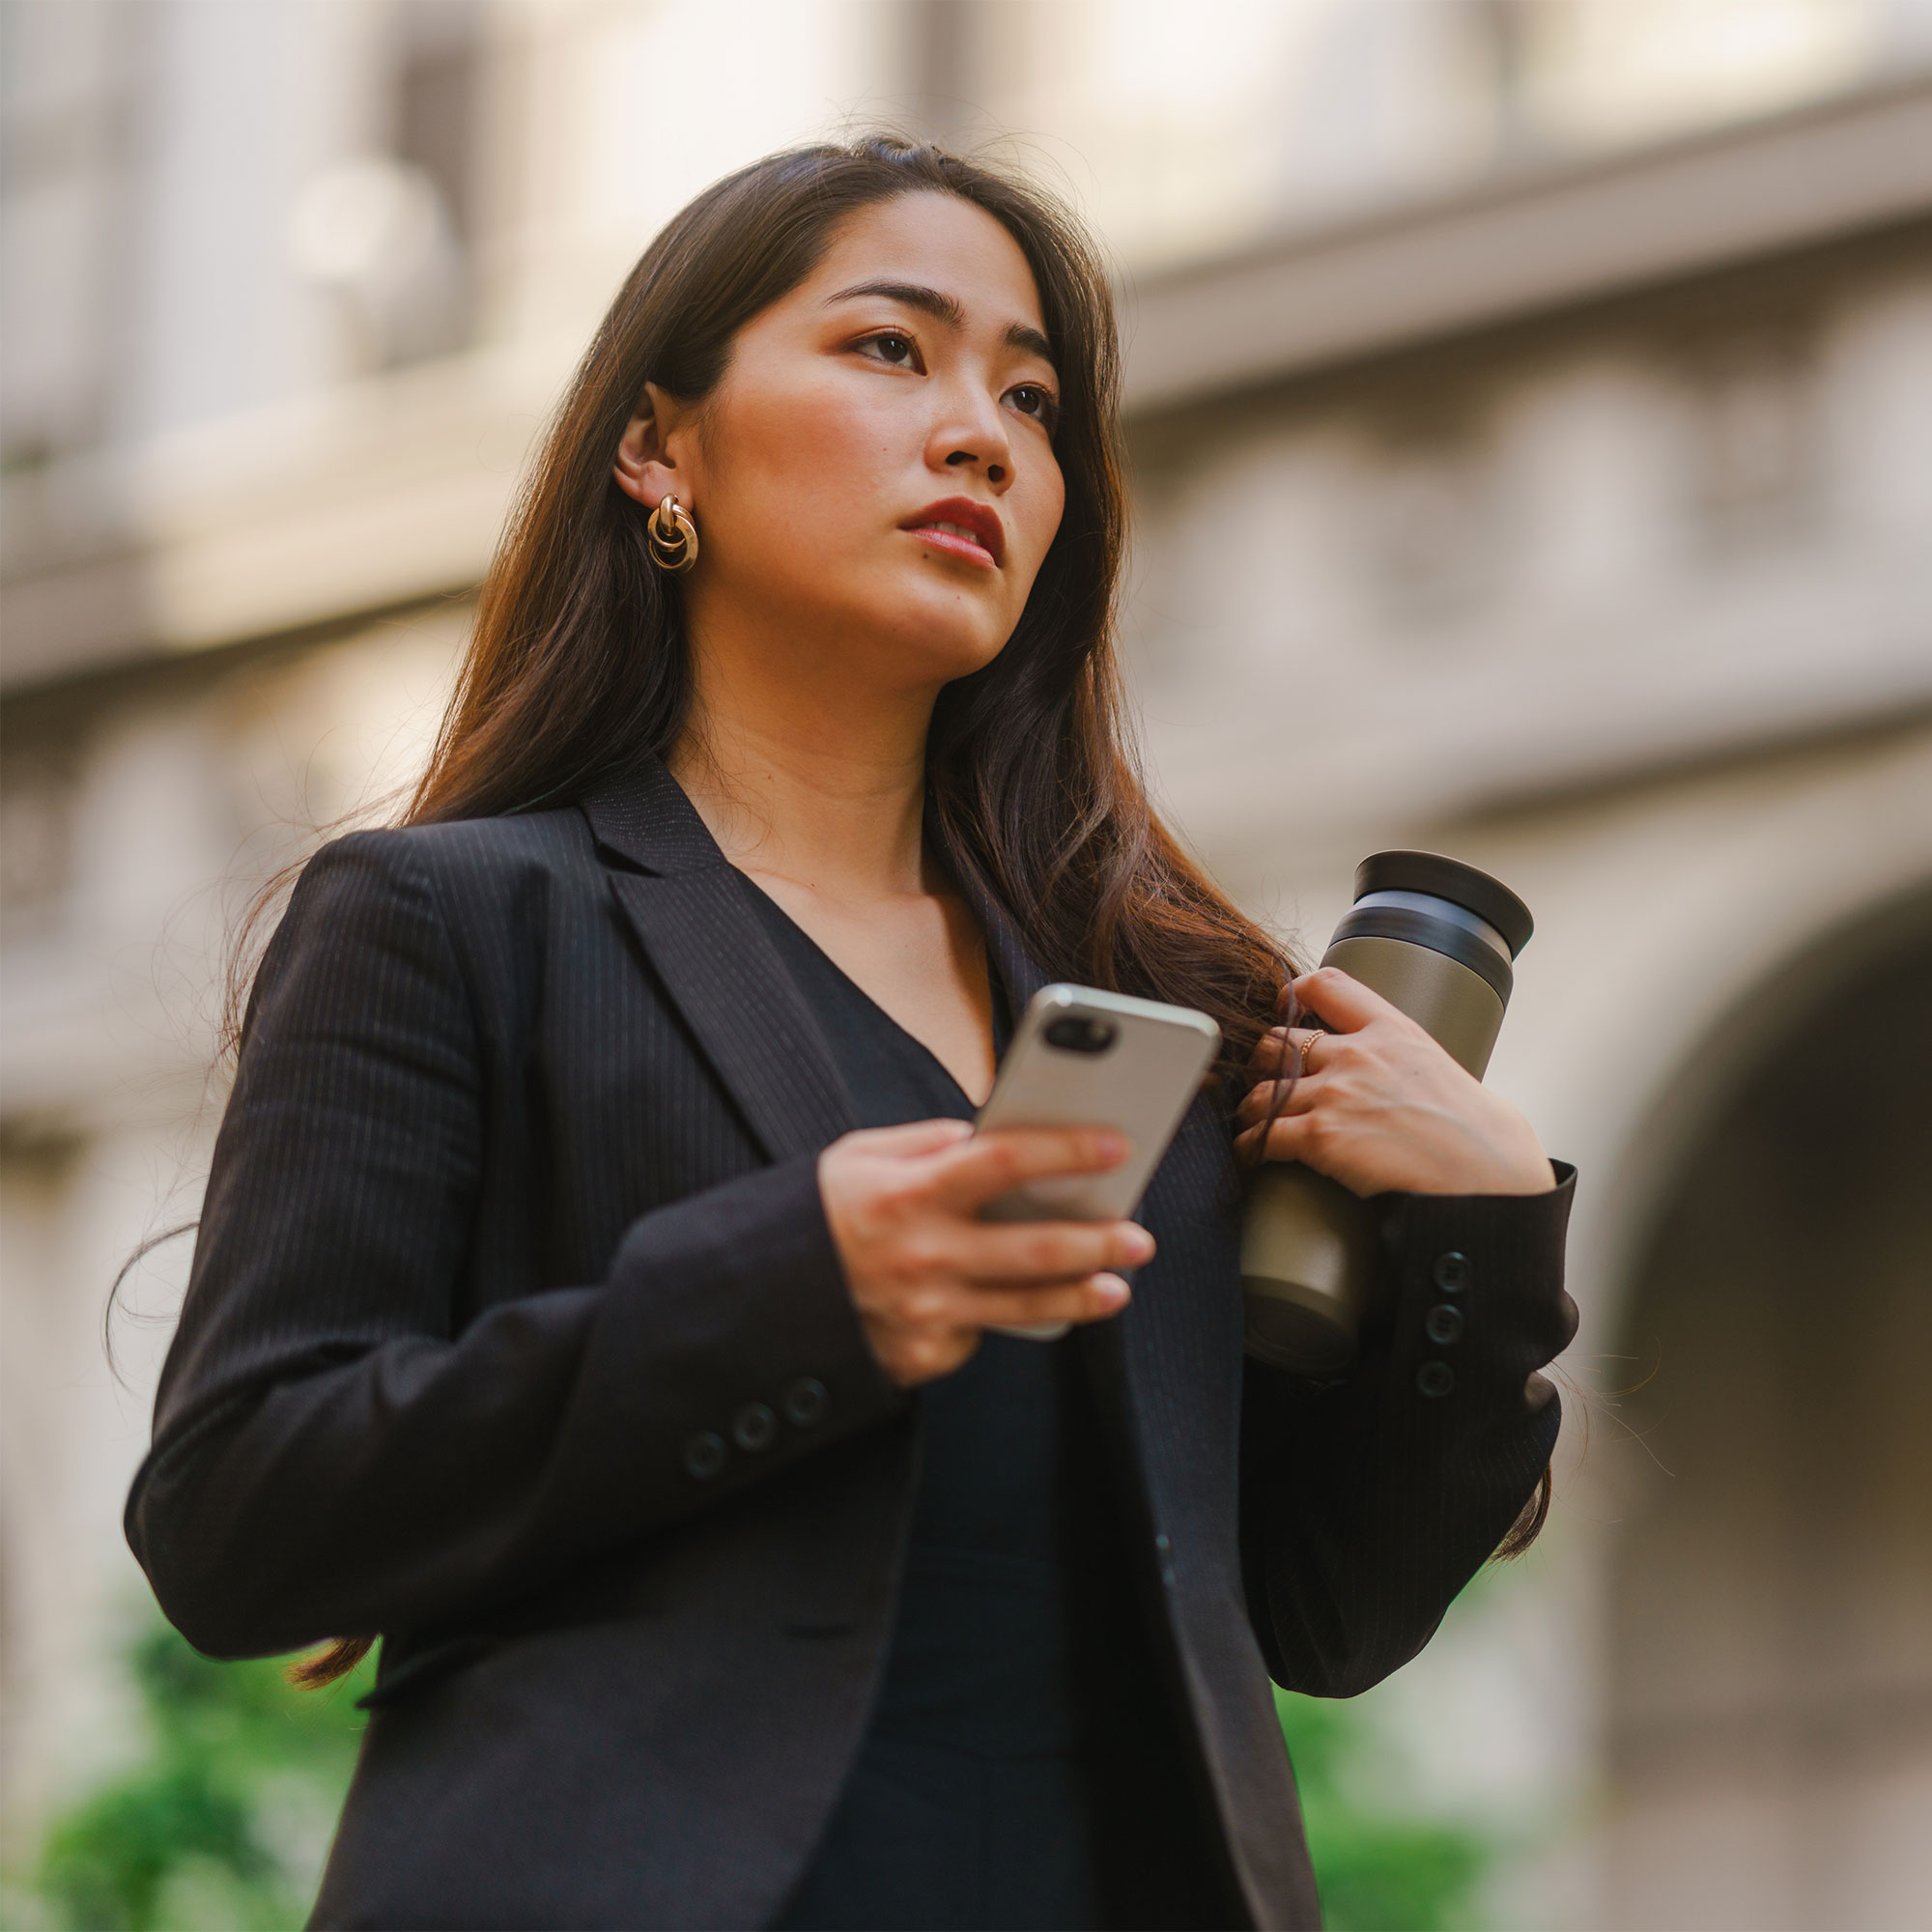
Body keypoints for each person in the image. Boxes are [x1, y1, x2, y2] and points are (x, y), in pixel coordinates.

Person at [126, 136, 1576, 1932]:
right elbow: (236, 1516)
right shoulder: (453, 918)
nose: (981, 436)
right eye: (892, 349)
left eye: (1031, 401)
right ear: (658, 446)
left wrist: (1484, 1230)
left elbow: (1322, 1613)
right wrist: (791, 1292)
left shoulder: (1163, 1016)